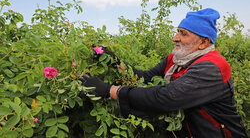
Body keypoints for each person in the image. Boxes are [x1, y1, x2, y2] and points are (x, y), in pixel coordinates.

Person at [79, 8, 247, 138]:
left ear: (203, 42)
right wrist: (115, 62)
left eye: (183, 34)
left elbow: (166, 97)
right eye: (178, 31)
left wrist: (111, 91)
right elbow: (145, 78)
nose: (175, 37)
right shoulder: (174, 60)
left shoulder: (213, 67)